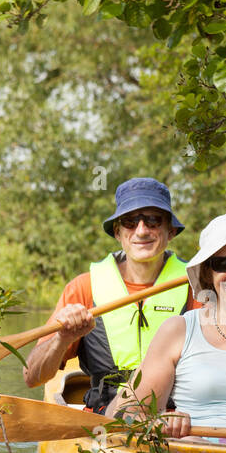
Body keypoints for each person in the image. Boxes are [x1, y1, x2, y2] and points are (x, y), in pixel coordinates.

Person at [106, 213, 226, 436]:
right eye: (223, 264)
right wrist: (160, 421)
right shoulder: (178, 330)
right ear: (208, 273)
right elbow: (122, 415)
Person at [24, 177, 195, 413]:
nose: (142, 230)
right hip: (106, 418)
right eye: (130, 222)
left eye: (153, 221)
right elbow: (32, 377)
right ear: (117, 232)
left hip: (179, 418)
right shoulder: (84, 288)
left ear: (171, 231)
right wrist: (62, 339)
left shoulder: (195, 285)